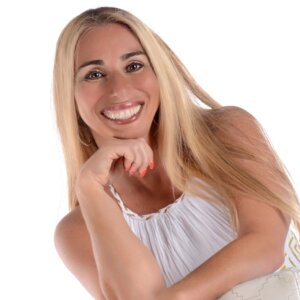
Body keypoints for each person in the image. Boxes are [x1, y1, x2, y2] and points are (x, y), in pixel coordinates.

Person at [53, 6, 300, 300]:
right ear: (70, 94)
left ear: (159, 72)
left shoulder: (227, 133)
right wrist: (90, 189)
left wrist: (172, 298)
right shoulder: (77, 232)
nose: (119, 89)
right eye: (94, 74)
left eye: (134, 66)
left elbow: (264, 244)